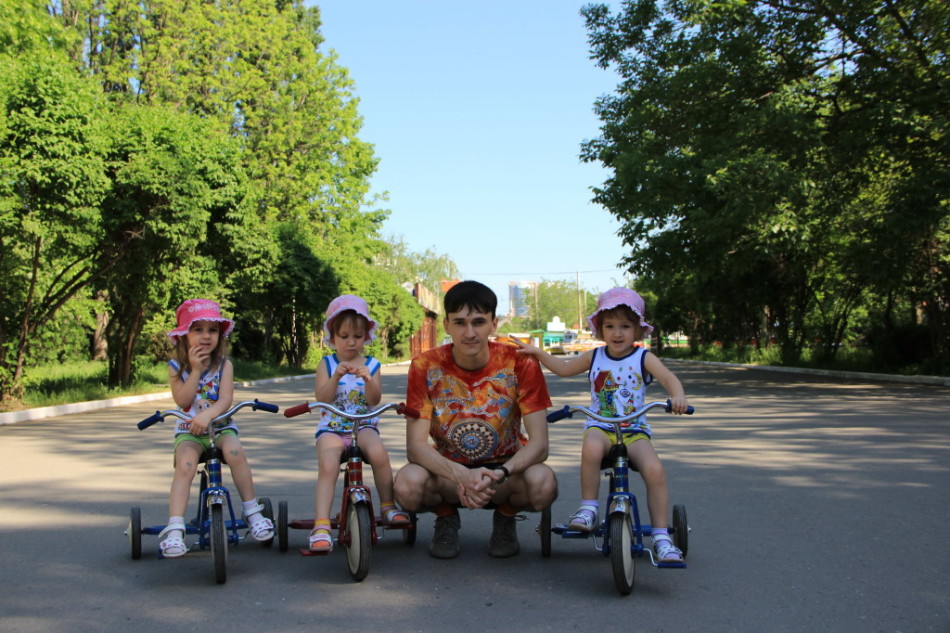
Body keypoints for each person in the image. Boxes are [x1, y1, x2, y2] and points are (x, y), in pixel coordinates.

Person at [513, 287, 690, 563]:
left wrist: (677, 396)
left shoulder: (643, 358)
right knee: (591, 450)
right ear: (600, 329)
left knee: (655, 469)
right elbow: (562, 368)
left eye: (625, 326)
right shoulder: (594, 356)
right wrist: (537, 352)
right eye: (610, 326)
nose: (617, 333)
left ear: (638, 330)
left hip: (634, 431)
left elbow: (668, 378)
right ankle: (589, 508)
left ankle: (660, 536)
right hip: (600, 426)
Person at [393, 280, 558, 559]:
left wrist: (499, 473)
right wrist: (462, 475)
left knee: (543, 483)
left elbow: (540, 445)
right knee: (406, 485)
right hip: (448, 472)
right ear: (446, 325)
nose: (469, 332)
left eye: (479, 322)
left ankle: (505, 518)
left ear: (494, 324)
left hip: (504, 473)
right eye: (460, 322)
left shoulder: (520, 362)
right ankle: (446, 518)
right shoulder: (425, 366)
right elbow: (416, 447)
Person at [159, 299, 274, 558]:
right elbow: (182, 401)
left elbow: (225, 400)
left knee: (235, 452)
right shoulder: (176, 366)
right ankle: (175, 527)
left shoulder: (225, 365)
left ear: (219, 336)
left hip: (222, 428)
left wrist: (209, 414)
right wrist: (197, 371)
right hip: (189, 432)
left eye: (212, 330)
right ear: (184, 335)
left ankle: (252, 511)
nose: (206, 336)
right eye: (197, 329)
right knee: (186, 464)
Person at [307, 294, 410, 552]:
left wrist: (368, 380)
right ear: (332, 338)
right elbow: (322, 398)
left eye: (357, 336)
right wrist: (336, 376)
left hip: (363, 426)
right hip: (332, 428)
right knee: (329, 465)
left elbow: (375, 399)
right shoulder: (327, 363)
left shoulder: (372, 364)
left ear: (366, 336)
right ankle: (321, 524)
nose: (351, 343)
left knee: (379, 453)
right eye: (344, 337)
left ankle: (387, 506)